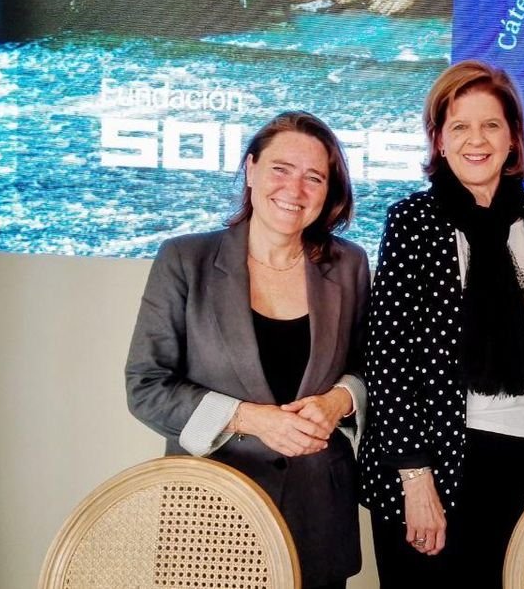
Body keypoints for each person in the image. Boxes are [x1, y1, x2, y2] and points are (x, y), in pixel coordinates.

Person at [125, 111, 369, 589]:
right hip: (210, 515)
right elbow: (146, 386)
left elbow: (371, 369)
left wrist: (338, 400)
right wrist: (249, 419)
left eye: (314, 177)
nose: (295, 189)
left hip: (317, 517)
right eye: (281, 169)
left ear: (329, 192)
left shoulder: (349, 264)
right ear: (252, 169)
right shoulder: (184, 259)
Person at [359, 61, 524, 589]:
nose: (475, 140)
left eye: (490, 125)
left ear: (513, 137)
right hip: (428, 467)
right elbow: (387, 358)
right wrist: (416, 480)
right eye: (459, 126)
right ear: (438, 139)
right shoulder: (412, 221)